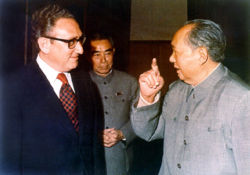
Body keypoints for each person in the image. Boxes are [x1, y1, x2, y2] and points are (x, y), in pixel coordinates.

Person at [131, 19, 250, 175]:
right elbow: (148, 132)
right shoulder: (175, 91)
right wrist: (147, 97)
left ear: (201, 55)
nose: (171, 58)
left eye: (176, 52)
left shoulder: (241, 99)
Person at [0, 4, 105, 174]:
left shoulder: (85, 82)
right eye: (71, 42)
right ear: (44, 44)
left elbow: (94, 150)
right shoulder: (11, 90)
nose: (80, 49)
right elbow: (8, 163)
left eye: (80, 40)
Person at [88, 33, 138, 175]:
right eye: (97, 55)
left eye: (107, 53)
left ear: (113, 52)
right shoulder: (80, 83)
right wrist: (94, 135)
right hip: (90, 160)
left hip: (120, 161)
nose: (103, 60)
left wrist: (122, 134)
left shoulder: (130, 82)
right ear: (88, 56)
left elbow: (140, 120)